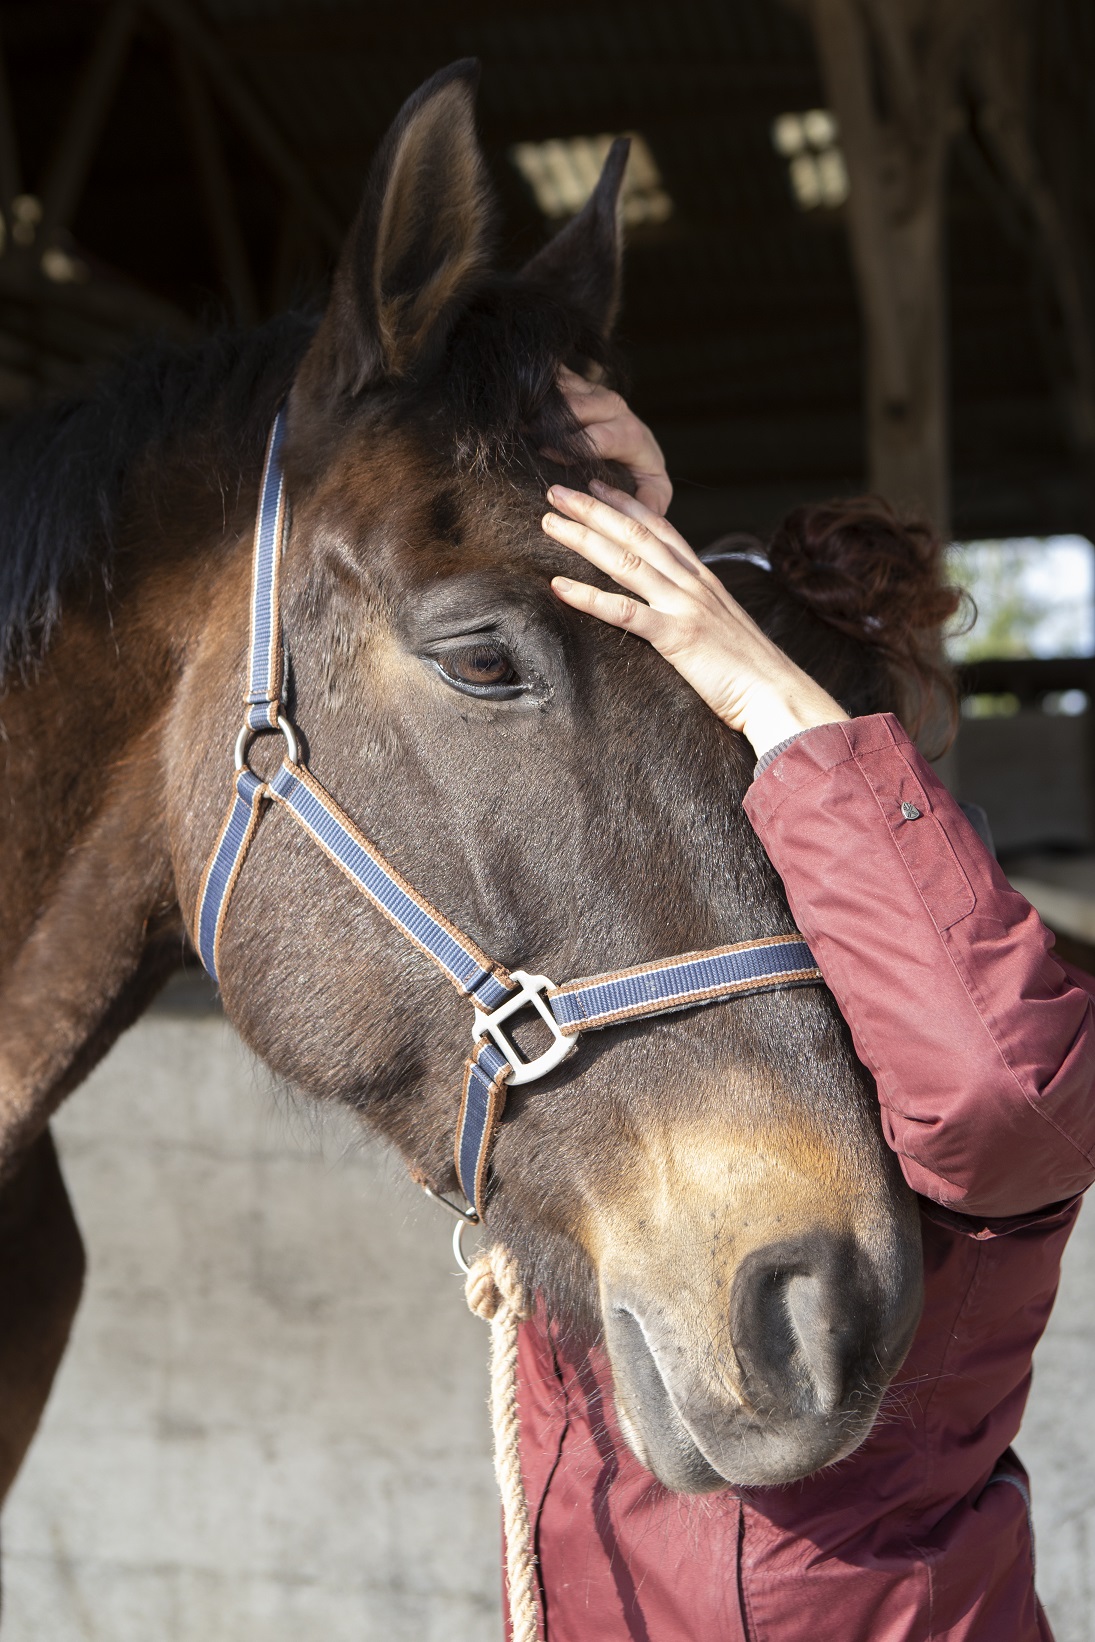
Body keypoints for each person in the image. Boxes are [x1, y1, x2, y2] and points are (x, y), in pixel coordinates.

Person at [501, 371, 1095, 1641]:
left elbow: (1001, 1098)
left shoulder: (973, 1040)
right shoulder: (653, 1053)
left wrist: (770, 706)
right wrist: (593, 500)